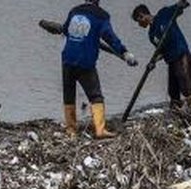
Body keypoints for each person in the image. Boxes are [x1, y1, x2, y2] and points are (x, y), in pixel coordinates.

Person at [39, 0, 139, 139]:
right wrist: (125, 52)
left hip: (67, 58)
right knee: (95, 96)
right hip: (84, 61)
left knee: (69, 94)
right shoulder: (102, 16)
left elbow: (67, 30)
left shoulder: (75, 10)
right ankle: (100, 130)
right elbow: (110, 37)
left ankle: (71, 130)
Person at [131, 1, 191, 113]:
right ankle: (177, 115)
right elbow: (161, 52)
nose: (139, 25)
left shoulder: (164, 14)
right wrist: (153, 62)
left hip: (182, 56)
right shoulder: (152, 34)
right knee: (173, 91)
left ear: (142, 16)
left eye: (139, 21)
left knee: (186, 86)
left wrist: (182, 5)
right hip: (171, 61)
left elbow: (180, 8)